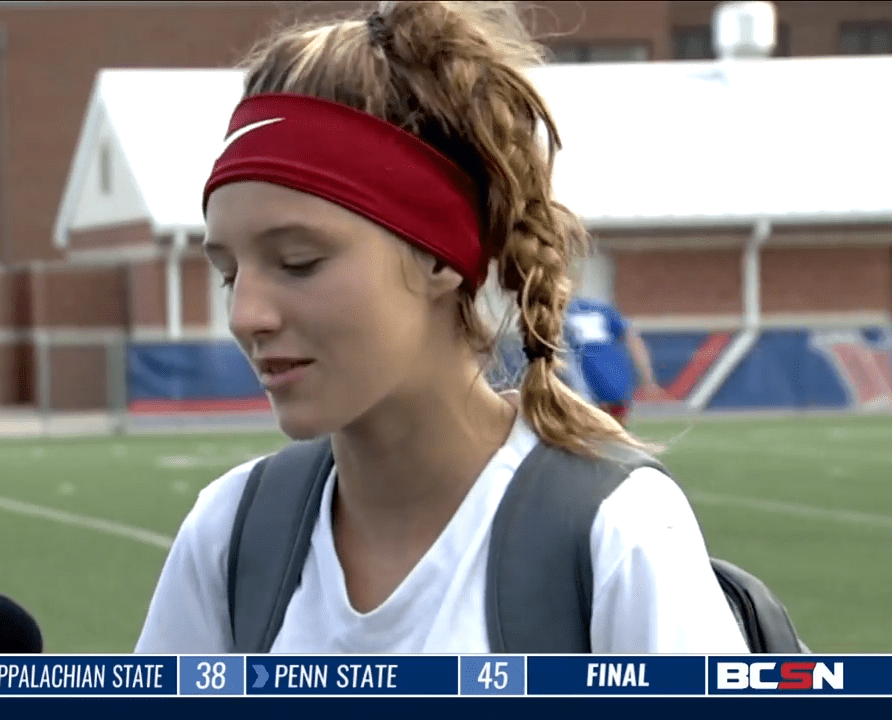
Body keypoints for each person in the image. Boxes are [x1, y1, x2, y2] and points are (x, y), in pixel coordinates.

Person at [135, 1, 747, 655]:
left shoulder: (615, 535)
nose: (245, 315)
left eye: (298, 262)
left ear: (437, 256)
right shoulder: (229, 537)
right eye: (230, 273)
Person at [564, 295, 668, 426]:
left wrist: (647, 378)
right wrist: (648, 378)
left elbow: (632, 338)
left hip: (594, 370)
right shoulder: (599, 308)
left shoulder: (598, 308)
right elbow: (632, 338)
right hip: (597, 372)